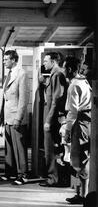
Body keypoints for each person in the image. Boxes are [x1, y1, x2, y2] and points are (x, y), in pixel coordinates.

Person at [59, 56, 92, 204]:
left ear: (70, 69)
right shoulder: (84, 81)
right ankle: (82, 193)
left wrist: (67, 131)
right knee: (83, 158)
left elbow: (73, 111)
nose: (63, 70)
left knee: (79, 158)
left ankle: (83, 194)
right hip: (87, 120)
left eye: (65, 68)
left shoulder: (74, 85)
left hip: (80, 122)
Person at [0, 50, 30, 185]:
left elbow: (23, 99)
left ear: (13, 60)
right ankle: (10, 172)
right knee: (9, 147)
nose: (4, 61)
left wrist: (18, 118)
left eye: (6, 59)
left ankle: (22, 174)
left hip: (16, 116)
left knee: (19, 148)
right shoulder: (9, 74)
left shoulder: (21, 74)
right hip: (7, 116)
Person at [39, 52, 69, 187]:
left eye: (46, 61)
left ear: (54, 62)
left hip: (52, 116)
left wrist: (48, 120)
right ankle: (55, 177)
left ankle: (53, 178)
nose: (44, 63)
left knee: (51, 149)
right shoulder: (55, 74)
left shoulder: (57, 75)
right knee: (53, 149)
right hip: (52, 114)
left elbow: (56, 100)